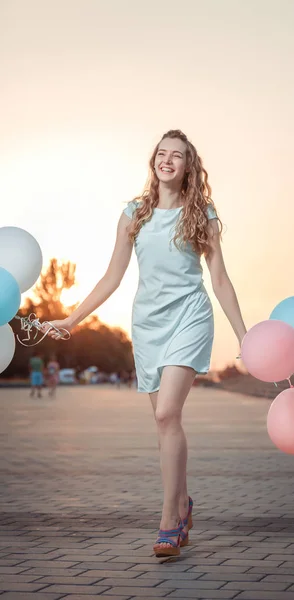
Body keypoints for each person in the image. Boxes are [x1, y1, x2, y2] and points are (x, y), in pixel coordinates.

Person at [42, 129, 247, 557]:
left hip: (190, 317)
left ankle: (169, 519)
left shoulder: (202, 214)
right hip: (148, 327)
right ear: (153, 161)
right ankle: (184, 503)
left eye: (177, 156)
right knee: (164, 424)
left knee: (168, 413)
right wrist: (73, 320)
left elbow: (220, 280)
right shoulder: (134, 213)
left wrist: (246, 336)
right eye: (161, 154)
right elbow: (112, 277)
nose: (167, 160)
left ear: (189, 166)